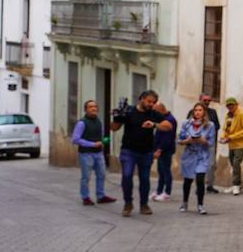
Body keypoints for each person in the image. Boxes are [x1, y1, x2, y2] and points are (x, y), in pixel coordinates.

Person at [110, 89, 171, 217]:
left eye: (153, 102)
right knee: (127, 175)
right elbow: (114, 128)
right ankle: (128, 203)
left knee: (144, 179)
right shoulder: (129, 111)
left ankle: (144, 204)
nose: (151, 104)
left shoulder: (154, 114)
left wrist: (154, 125)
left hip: (146, 152)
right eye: (149, 101)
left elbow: (168, 125)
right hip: (128, 150)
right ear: (141, 99)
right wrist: (118, 116)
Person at [71, 100, 113, 206]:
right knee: (86, 177)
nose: (94, 108)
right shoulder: (82, 123)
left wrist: (104, 141)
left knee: (102, 175)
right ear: (86, 109)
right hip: (86, 154)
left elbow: (102, 136)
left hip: (99, 154)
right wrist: (92, 144)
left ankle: (101, 196)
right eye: (90, 107)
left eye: (95, 106)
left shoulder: (99, 121)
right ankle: (85, 197)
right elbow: (75, 139)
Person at [177, 103, 216, 215]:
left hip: (202, 155)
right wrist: (187, 141)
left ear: (204, 112)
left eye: (200, 110)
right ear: (193, 112)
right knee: (188, 180)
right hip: (189, 154)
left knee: (200, 179)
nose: (198, 112)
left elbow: (211, 143)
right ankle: (185, 202)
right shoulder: (186, 124)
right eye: (196, 110)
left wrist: (204, 141)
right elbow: (180, 140)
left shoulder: (210, 125)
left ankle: (200, 205)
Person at [222, 97, 243, 195]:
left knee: (236, 163)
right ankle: (235, 183)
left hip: (240, 144)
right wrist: (223, 137)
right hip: (231, 144)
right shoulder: (228, 115)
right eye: (228, 105)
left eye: (232, 105)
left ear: (236, 105)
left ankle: (236, 185)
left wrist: (231, 137)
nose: (230, 107)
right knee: (232, 162)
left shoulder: (242, 114)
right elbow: (225, 128)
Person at [151, 104, 178, 202]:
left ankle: (167, 192)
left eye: (155, 112)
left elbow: (168, 137)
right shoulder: (161, 119)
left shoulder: (170, 120)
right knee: (160, 171)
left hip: (166, 150)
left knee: (166, 171)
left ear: (161, 110)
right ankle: (159, 191)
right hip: (160, 149)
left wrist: (159, 149)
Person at [200, 94, 221, 194]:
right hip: (198, 142)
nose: (207, 102)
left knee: (211, 164)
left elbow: (217, 125)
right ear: (200, 100)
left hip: (210, 142)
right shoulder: (194, 112)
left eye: (209, 100)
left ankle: (210, 185)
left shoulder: (213, 112)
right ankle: (199, 185)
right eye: (205, 100)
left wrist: (209, 130)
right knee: (199, 163)